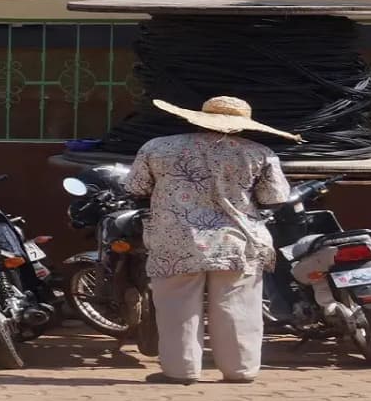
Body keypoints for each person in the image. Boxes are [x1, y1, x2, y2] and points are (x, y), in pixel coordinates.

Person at [123, 96, 296, 385]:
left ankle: (181, 371)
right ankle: (240, 370)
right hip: (237, 241)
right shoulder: (260, 153)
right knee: (238, 305)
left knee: (176, 306)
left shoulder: (157, 147)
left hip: (176, 239)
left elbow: (136, 187)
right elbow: (274, 198)